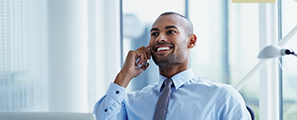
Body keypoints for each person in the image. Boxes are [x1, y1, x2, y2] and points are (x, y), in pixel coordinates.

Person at [93, 12, 251, 120]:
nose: (160, 38)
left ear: (191, 41)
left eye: (170, 32)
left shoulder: (221, 96)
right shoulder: (133, 102)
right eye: (154, 34)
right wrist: (125, 75)